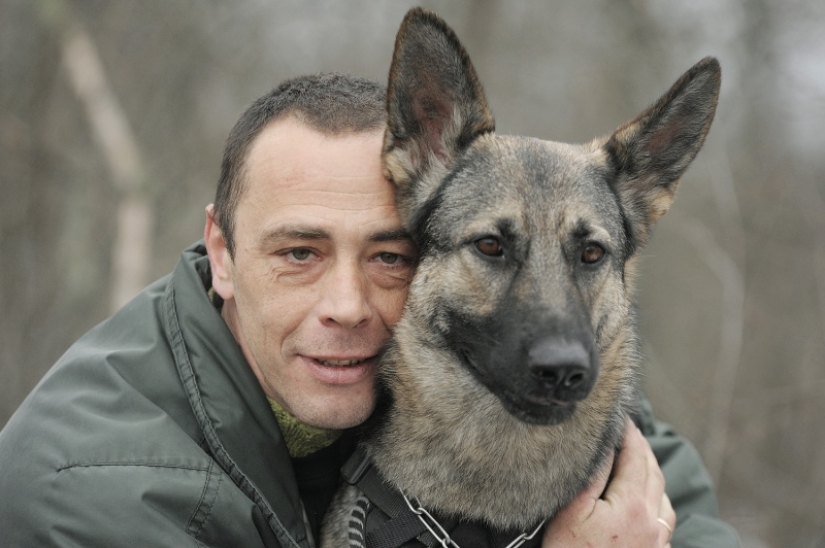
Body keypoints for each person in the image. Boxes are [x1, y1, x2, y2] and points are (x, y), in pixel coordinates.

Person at [0, 73, 739, 547]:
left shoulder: (520, 377)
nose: (349, 306)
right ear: (221, 253)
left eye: (388, 257)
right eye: (300, 253)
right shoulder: (93, 496)